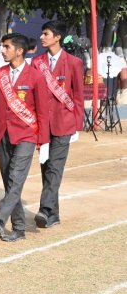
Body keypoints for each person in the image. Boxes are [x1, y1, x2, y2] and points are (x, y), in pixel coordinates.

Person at [0, 33, 50, 243]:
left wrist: (44, 142)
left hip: (26, 135)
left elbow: (42, 111)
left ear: (19, 51)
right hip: (3, 134)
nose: (3, 50)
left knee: (15, 180)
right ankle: (19, 228)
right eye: (3, 46)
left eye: (6, 47)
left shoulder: (36, 76)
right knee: (9, 182)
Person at [32, 20, 83, 229]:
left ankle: (44, 209)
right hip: (42, 125)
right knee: (46, 167)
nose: (42, 37)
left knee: (55, 168)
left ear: (57, 37)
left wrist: (76, 126)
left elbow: (78, 96)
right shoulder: (37, 62)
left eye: (46, 34)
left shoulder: (73, 63)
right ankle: (53, 214)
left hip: (64, 124)